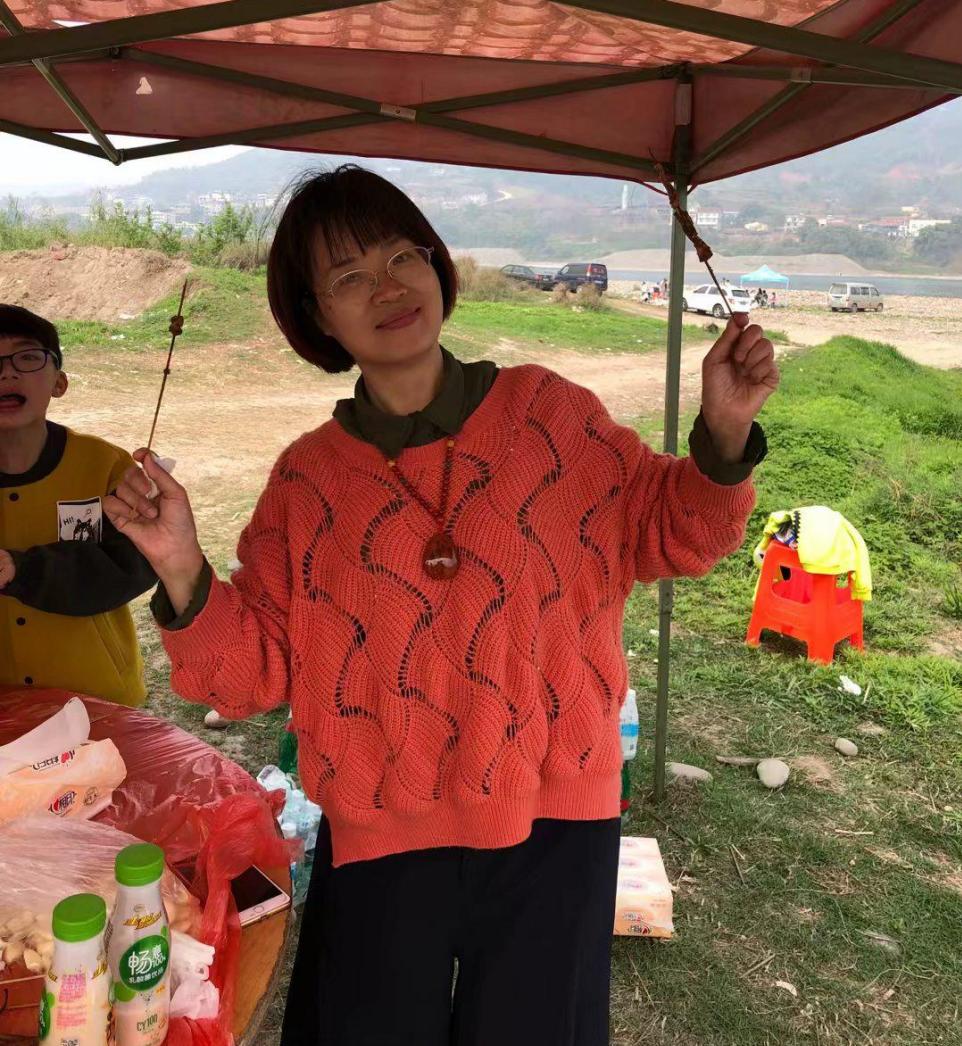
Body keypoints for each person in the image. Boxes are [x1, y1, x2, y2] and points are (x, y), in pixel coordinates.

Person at [105, 165, 778, 1046]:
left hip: (558, 821)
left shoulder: (553, 417)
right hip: (380, 832)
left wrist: (725, 429)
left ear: (436, 264)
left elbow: (674, 531)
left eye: (401, 255)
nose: (387, 287)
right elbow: (251, 673)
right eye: (348, 276)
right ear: (318, 317)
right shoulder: (307, 483)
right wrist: (180, 565)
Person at [0, 304, 156, 706]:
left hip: (95, 693)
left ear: (60, 382)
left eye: (27, 357)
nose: (6, 373)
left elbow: (132, 568)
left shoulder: (106, 465)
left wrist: (21, 570)